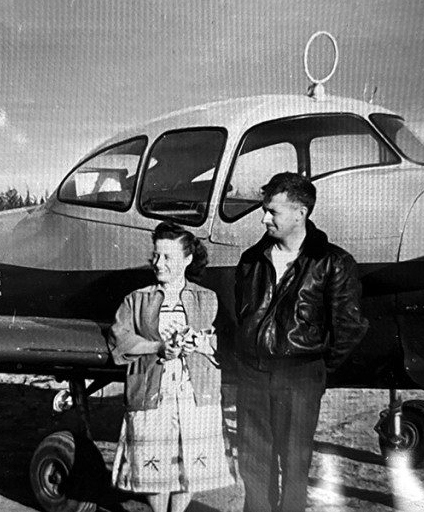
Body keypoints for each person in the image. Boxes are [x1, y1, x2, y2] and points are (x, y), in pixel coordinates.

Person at [233, 172, 369, 512]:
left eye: (273, 212)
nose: (264, 218)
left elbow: (349, 327)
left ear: (300, 212)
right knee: (254, 466)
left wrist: (316, 368)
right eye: (264, 210)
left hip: (300, 378)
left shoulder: (333, 263)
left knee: (295, 467)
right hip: (253, 376)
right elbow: (243, 315)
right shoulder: (251, 260)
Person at [108, 221, 236, 512]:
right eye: (156, 256)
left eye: (167, 257)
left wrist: (200, 344)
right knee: (155, 468)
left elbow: (225, 344)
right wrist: (158, 347)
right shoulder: (136, 300)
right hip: (154, 390)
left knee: (189, 463)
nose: (158, 263)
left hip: (195, 394)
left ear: (188, 259)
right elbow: (122, 342)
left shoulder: (208, 299)